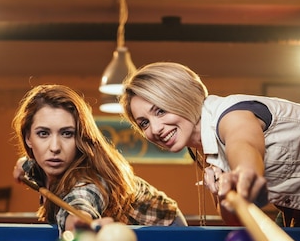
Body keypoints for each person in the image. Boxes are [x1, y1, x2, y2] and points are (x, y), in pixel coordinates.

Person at [120, 62, 300, 229]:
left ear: (181, 97)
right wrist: (224, 194)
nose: (155, 129)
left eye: (160, 111)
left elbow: (244, 143)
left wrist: (244, 172)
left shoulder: (231, 114)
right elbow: (239, 221)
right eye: (143, 122)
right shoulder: (205, 150)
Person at [11, 84, 186, 233]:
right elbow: (29, 163)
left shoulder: (89, 180)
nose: (55, 147)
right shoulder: (39, 164)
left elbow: (82, 201)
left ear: (80, 138)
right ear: (28, 138)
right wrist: (22, 164)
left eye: (67, 134)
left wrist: (79, 222)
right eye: (43, 133)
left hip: (166, 229)